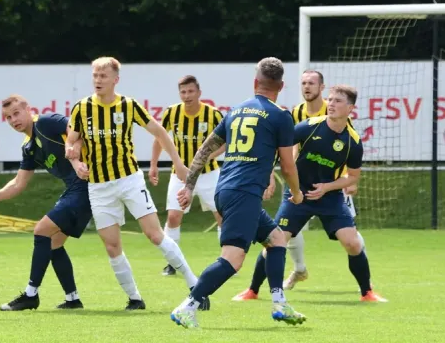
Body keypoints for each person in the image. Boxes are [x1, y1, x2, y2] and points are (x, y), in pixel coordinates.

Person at [170, 57, 306, 329]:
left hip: (227, 189)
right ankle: (189, 305)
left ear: (255, 82)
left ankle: (279, 303)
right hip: (243, 194)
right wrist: (296, 193)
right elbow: (288, 165)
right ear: (281, 86)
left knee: (277, 239)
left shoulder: (235, 111)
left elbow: (204, 151)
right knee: (233, 259)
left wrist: (189, 185)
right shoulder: (281, 116)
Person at [65, 56, 209, 311]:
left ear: (115, 80)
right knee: (111, 245)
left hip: (128, 179)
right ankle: (134, 298)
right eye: (95, 76)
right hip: (98, 186)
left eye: (103, 76)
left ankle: (195, 285)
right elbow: (72, 142)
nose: (98, 81)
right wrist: (77, 164)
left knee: (154, 234)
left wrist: (177, 163)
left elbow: (159, 131)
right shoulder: (81, 108)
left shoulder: (128, 106)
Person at [240, 85, 388, 304]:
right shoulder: (308, 127)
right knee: (275, 241)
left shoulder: (353, 142)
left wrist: (327, 188)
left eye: (338, 101)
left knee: (353, 243)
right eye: (330, 99)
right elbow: (276, 148)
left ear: (350, 108)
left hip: (331, 198)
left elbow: (353, 177)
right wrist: (269, 173)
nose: (332, 104)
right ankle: (252, 290)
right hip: (298, 195)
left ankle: (367, 293)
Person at [0, 94, 92, 311]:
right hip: (75, 189)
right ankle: (73, 299)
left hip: (87, 185)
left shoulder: (46, 123)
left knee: (41, 230)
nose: (14, 120)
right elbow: (19, 183)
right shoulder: (28, 147)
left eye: (17, 113)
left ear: (29, 109)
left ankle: (31, 295)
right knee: (54, 242)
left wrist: (76, 156)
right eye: (8, 117)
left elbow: (78, 130)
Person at [149, 75, 225, 276]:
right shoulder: (172, 113)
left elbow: (228, 139)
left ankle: (227, 260)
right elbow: (159, 138)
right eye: (183, 92)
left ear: (199, 93)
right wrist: (154, 165)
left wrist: (211, 156)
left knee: (222, 216)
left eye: (191, 91)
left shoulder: (213, 114)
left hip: (209, 173)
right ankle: (172, 263)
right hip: (180, 173)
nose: (187, 95)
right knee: (174, 217)